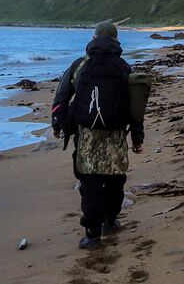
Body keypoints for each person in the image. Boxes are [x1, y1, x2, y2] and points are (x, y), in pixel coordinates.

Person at [51, 22, 145, 250]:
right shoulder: (123, 67)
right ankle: (110, 221)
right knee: (115, 178)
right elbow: (136, 106)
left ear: (93, 38)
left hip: (87, 134)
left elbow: (61, 97)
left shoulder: (80, 65)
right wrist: (137, 137)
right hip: (115, 132)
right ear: (116, 40)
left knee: (90, 181)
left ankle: (92, 235)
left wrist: (57, 124)